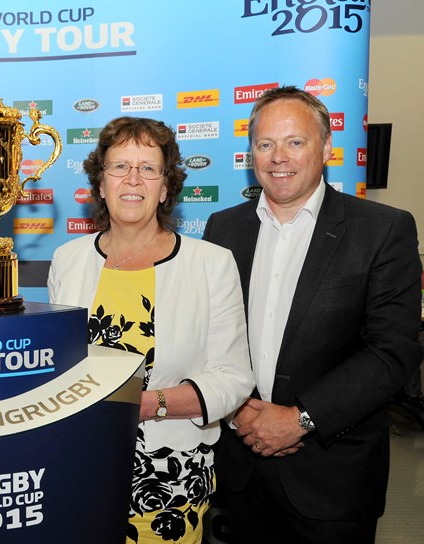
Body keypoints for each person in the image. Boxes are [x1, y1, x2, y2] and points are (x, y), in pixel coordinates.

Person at [203, 86, 423, 543]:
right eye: (265, 144)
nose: (278, 157)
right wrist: (236, 408)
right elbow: (209, 332)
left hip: (333, 479)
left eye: (295, 142)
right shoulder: (222, 229)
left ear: (325, 148)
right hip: (240, 469)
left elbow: (392, 350)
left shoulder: (383, 230)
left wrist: (301, 418)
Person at [47, 116, 254, 543]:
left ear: (165, 188)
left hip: (170, 479)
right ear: (100, 184)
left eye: (148, 168)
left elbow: (233, 379)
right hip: (78, 469)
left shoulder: (211, 264)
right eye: (119, 166)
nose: (133, 179)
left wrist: (142, 405)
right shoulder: (67, 260)